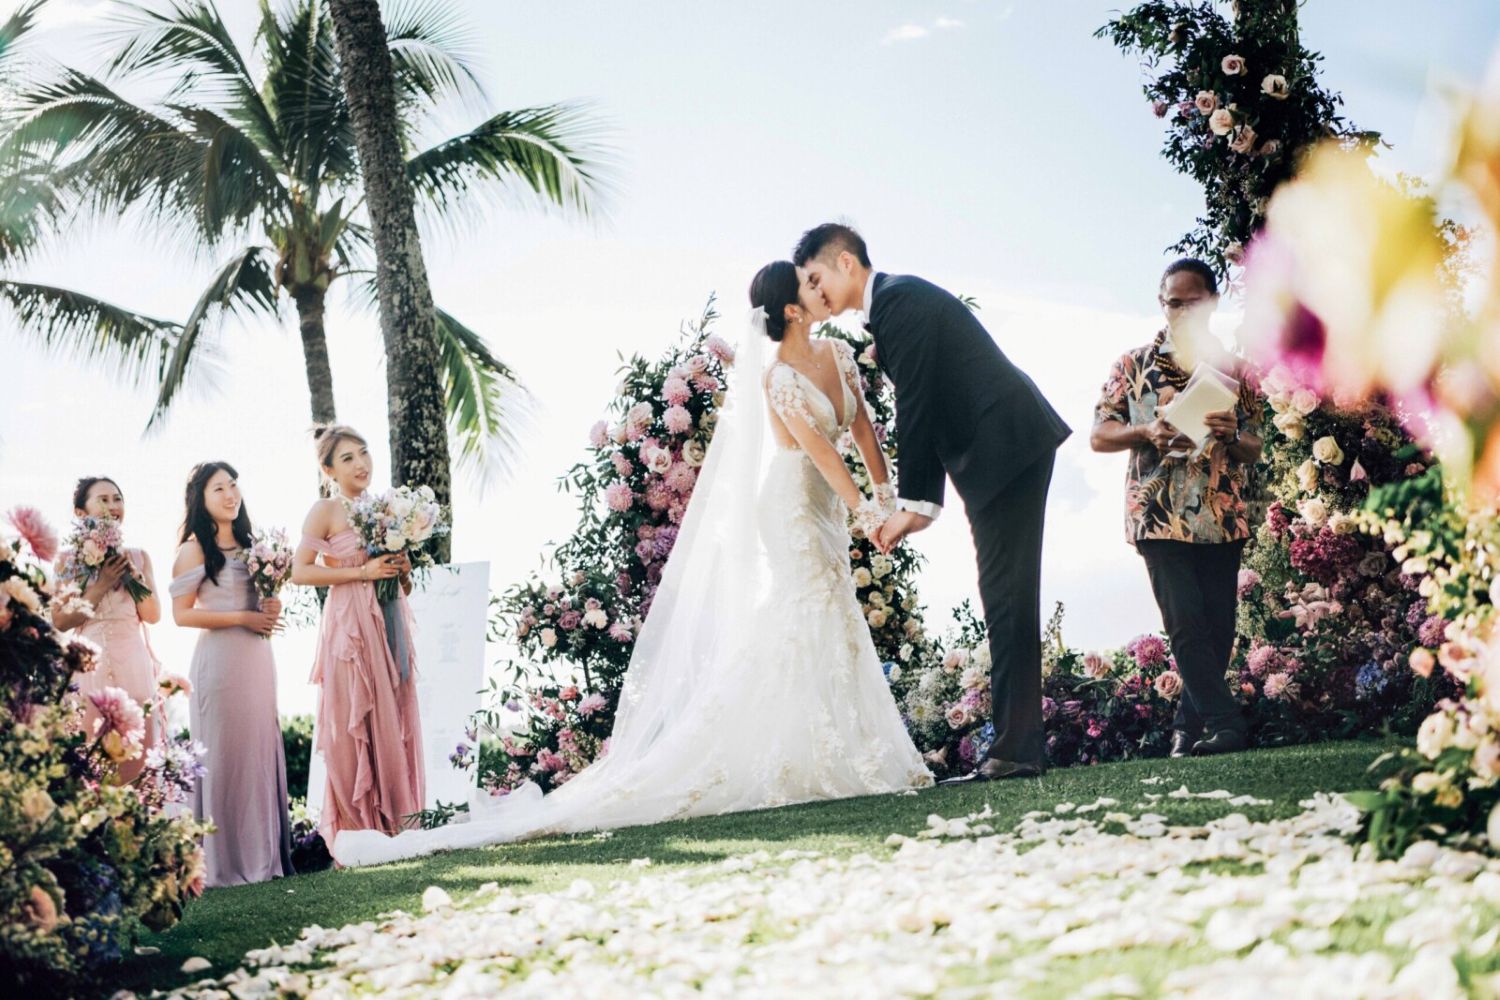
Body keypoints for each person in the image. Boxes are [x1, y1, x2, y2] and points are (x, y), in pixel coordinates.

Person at [334, 262, 931, 867]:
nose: (820, 288)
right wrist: (867, 516)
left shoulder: (839, 355)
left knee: (832, 611)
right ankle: (807, 754)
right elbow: (821, 450)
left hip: (830, 507)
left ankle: (847, 748)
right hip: (792, 508)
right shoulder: (776, 378)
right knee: (809, 606)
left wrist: (882, 499)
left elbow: (860, 428)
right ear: (793, 309)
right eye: (808, 286)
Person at [794, 223, 1072, 782]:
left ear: (847, 263)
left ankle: (1016, 749)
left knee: (1009, 597)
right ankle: (1017, 746)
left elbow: (915, 401)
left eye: (816, 278)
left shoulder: (899, 301)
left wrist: (916, 504)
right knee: (1004, 597)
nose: (813, 293)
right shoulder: (896, 304)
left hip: (1008, 449)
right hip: (1002, 454)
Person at [1090, 258, 1264, 757]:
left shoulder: (1236, 370)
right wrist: (1145, 430)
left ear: (1211, 302)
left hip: (1221, 512)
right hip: (1158, 512)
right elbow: (1099, 434)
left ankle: (1188, 731)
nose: (1183, 311)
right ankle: (1226, 723)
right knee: (1185, 624)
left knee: (1220, 629)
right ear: (1161, 303)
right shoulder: (1132, 365)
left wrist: (1235, 436)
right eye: (1173, 302)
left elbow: (1256, 445)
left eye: (1193, 301)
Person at [291, 425, 426, 849]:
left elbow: (402, 586)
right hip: (350, 622)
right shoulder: (326, 510)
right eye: (347, 458)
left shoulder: (387, 508)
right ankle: (358, 829)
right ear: (328, 469)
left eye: (364, 453)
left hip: (388, 617)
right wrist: (360, 572)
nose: (360, 463)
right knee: (354, 718)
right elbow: (300, 571)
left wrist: (401, 570)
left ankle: (398, 822)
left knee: (395, 713)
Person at [170, 461, 293, 886]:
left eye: (234, 485)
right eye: (219, 487)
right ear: (201, 499)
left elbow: (264, 603)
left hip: (258, 658)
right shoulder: (194, 549)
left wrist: (269, 607)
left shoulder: (254, 545)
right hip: (219, 663)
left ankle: (265, 858)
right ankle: (222, 863)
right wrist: (242, 616)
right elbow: (181, 616)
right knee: (223, 756)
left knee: (258, 750)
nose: (230, 494)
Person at [53, 476, 162, 782]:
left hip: (134, 666)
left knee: (138, 764)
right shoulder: (66, 561)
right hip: (90, 669)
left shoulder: (139, 556)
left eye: (118, 498)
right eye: (103, 500)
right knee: (92, 765)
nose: (113, 506)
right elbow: (61, 621)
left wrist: (134, 577)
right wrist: (99, 585)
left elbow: (152, 615)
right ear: (80, 513)